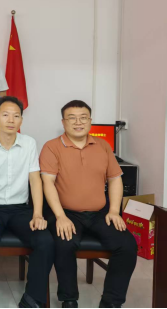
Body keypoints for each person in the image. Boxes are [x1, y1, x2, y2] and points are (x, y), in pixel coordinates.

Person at [40, 100, 137, 309]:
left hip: (100, 212)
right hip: (66, 212)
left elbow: (115, 180)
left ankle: (111, 301)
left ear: (90, 121)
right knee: (64, 243)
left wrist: (114, 211)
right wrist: (60, 216)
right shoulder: (51, 147)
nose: (78, 122)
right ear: (63, 122)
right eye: (72, 118)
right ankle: (69, 299)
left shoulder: (103, 146)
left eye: (83, 118)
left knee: (127, 245)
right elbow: (47, 183)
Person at [0, 97, 54, 309]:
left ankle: (32, 298)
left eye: (16, 116)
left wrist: (38, 214)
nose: (11, 120)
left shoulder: (29, 143)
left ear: (21, 120)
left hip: (20, 209)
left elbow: (35, 180)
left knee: (45, 241)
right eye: (5, 115)